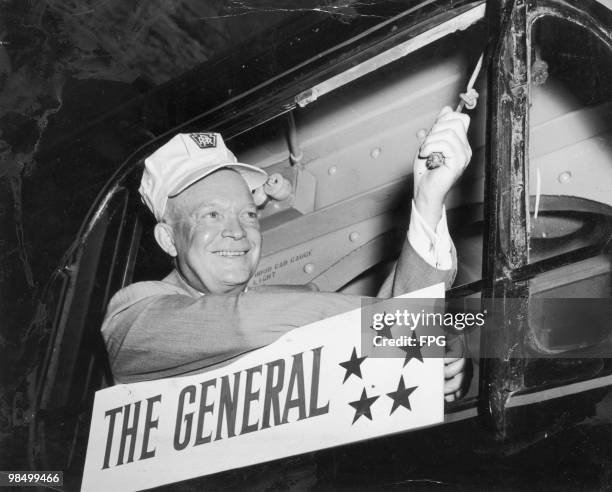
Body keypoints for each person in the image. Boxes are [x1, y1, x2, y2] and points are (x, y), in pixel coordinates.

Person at [101, 107, 471, 401]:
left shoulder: (296, 301)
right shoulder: (133, 317)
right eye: (212, 215)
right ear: (168, 239)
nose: (237, 230)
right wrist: (419, 335)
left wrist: (427, 201)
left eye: (247, 214)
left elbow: (382, 321)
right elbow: (242, 321)